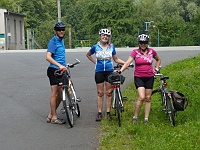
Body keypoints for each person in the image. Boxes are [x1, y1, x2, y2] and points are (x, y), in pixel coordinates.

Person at [118, 34, 161, 124]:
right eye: (141, 42)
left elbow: (158, 59)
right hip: (139, 77)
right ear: (138, 43)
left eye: (145, 42)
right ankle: (135, 116)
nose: (143, 44)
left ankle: (146, 118)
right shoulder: (135, 52)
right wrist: (121, 70)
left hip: (149, 76)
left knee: (148, 98)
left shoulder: (152, 51)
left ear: (147, 43)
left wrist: (156, 69)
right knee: (141, 97)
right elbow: (128, 62)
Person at [86, 28, 125, 121]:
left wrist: (126, 63)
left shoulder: (111, 47)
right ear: (100, 36)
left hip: (109, 71)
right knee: (100, 93)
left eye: (107, 36)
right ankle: (99, 113)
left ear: (109, 37)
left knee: (109, 93)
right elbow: (88, 54)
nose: (105, 37)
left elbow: (116, 59)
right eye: (103, 35)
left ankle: (108, 112)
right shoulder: (95, 47)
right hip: (99, 72)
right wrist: (95, 62)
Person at [46, 21, 67, 125]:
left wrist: (63, 65)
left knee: (60, 93)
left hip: (62, 69)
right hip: (54, 69)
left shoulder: (61, 40)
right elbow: (48, 57)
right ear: (55, 31)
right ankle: (54, 117)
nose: (61, 31)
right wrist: (59, 65)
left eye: (63, 29)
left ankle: (51, 114)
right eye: (59, 30)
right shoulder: (53, 42)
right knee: (54, 93)